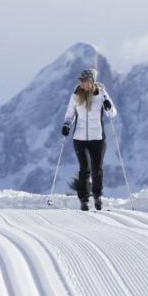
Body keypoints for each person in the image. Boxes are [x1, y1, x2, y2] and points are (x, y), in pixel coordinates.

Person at [61, 68, 117, 211]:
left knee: (97, 169)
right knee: (84, 168)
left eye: (84, 81)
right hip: (79, 139)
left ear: (91, 82)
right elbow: (69, 114)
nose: (81, 83)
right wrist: (66, 125)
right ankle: (84, 201)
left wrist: (108, 107)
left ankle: (98, 198)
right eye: (80, 81)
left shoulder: (102, 94)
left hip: (97, 138)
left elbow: (112, 114)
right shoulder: (75, 95)